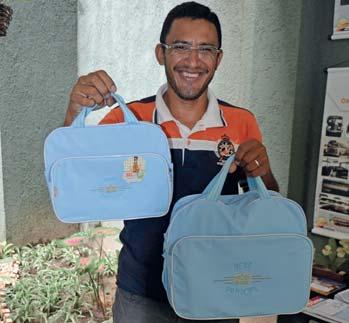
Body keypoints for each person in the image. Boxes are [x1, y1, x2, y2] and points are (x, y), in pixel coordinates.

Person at [64, 2, 279, 322]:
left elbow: (264, 204)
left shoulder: (241, 121)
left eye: (205, 49)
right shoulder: (130, 118)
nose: (193, 61)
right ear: (160, 53)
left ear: (218, 59)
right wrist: (73, 111)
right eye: (180, 47)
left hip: (215, 291)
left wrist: (265, 173)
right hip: (141, 295)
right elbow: (73, 180)